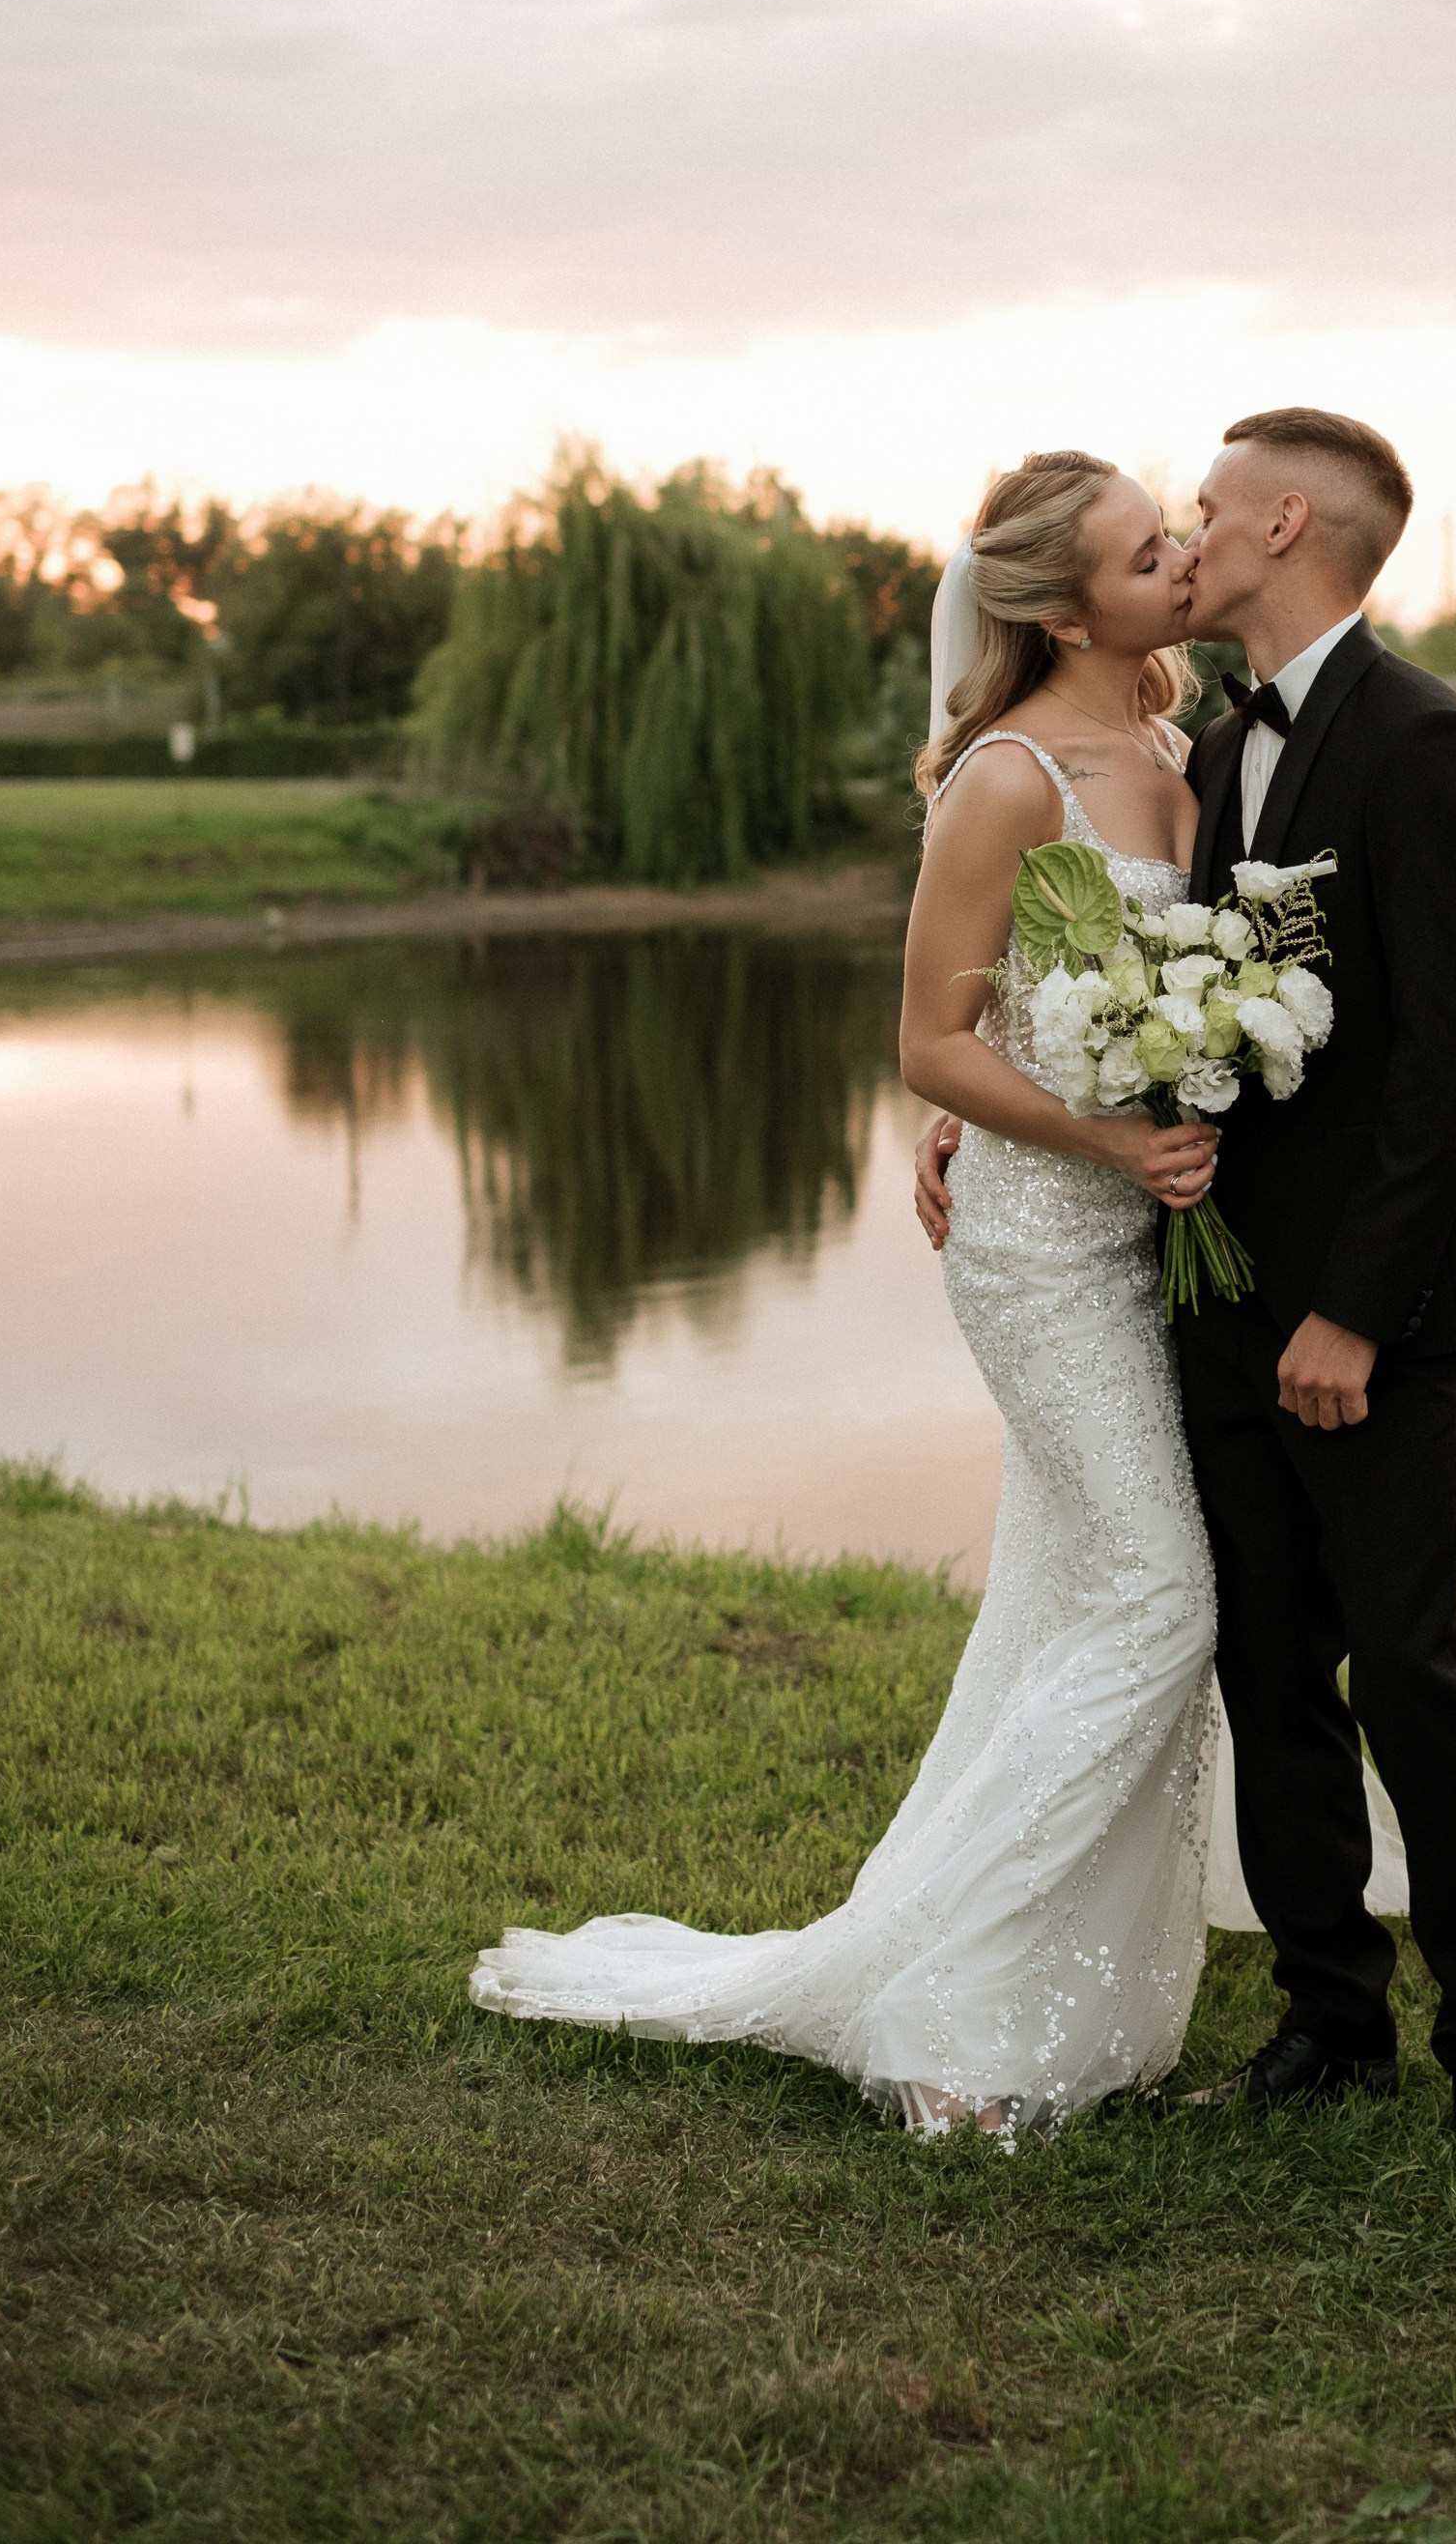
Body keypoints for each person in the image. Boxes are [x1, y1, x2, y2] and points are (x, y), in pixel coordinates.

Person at [471, 449, 1227, 2137]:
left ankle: (1062, 1975)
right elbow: (930, 1038)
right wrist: (1089, 1137)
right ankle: (946, 2003)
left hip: (1156, 1239)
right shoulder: (1009, 780)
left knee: (1069, 1593)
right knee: (1165, 1601)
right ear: (1059, 602)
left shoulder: (1189, 750)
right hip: (1044, 1249)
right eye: (1143, 546)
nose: (1180, 555)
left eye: (1172, 530)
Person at [917, 410, 1456, 2166]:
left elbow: (1451, 1067)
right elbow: (1105, 986)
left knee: (1412, 1673)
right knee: (1265, 1662)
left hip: (1380, 1311)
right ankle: (1327, 2016)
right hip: (1197, 1282)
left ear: (1285, 525)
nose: (1188, 537)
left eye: (1204, 511)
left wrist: (1350, 1311)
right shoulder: (1190, 745)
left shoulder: (1422, 742)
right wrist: (982, 1118)